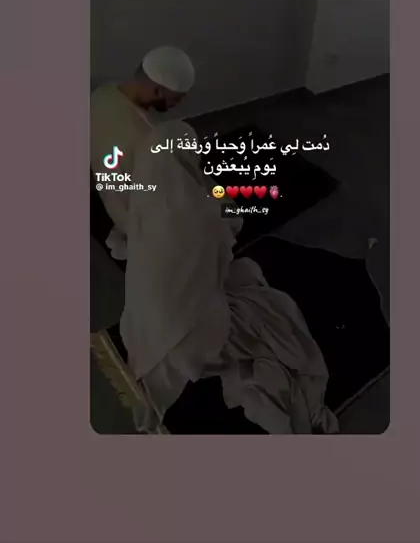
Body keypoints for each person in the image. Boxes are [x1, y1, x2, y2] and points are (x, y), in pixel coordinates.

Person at [120, 121, 338, 435]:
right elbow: (232, 221)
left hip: (145, 334)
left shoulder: (142, 207)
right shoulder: (202, 214)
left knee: (241, 275)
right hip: (196, 337)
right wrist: (211, 193)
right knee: (276, 311)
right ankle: (280, 404)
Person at [90, 45, 195, 252]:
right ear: (158, 91)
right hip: (140, 225)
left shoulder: (102, 94)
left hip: (113, 203)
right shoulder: (149, 139)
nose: (180, 103)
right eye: (177, 98)